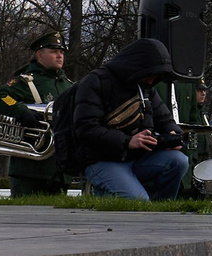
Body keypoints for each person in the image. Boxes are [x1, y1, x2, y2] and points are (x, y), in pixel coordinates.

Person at [71, 38, 189, 201]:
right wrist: (127, 141)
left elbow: (165, 119)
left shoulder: (145, 88)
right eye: (149, 75)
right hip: (101, 160)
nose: (151, 81)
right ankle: (109, 197)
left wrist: (173, 134)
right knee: (137, 200)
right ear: (138, 68)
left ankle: (158, 209)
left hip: (136, 157)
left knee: (179, 161)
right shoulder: (95, 82)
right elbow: (86, 129)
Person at [0, 31, 74, 198]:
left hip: (59, 170)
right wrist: (21, 111)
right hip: (29, 169)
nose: (59, 56)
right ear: (39, 55)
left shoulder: (69, 85)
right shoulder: (25, 81)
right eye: (53, 52)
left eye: (61, 52)